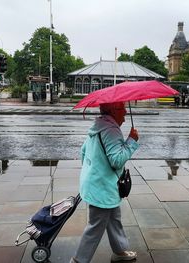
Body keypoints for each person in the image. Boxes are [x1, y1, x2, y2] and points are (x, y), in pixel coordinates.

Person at [71, 101, 139, 263]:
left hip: (100, 184)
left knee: (114, 219)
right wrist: (131, 141)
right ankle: (79, 260)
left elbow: (84, 152)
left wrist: (93, 172)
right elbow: (116, 160)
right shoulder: (111, 130)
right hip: (102, 187)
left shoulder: (99, 126)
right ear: (113, 110)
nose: (125, 112)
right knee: (95, 227)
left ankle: (120, 251)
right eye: (122, 108)